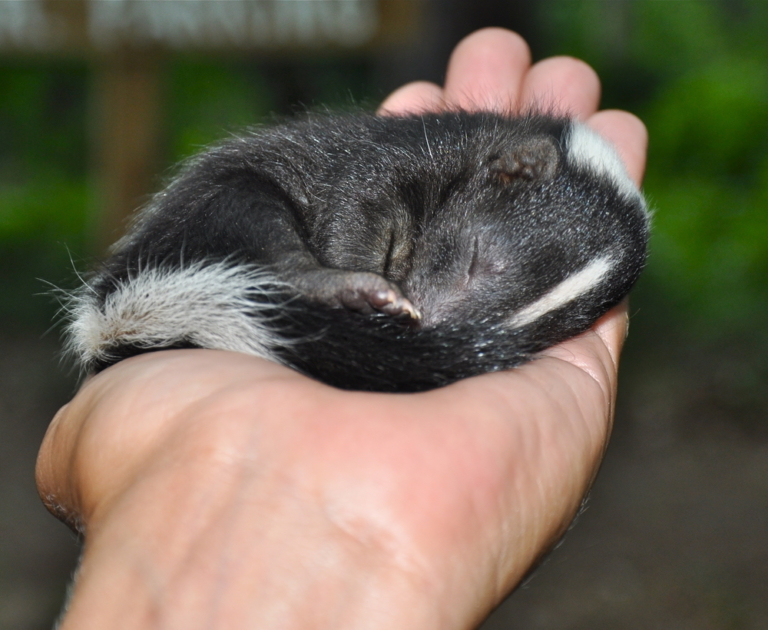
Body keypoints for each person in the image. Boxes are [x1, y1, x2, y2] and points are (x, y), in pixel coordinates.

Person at [36, 28, 647, 630]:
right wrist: (331, 280)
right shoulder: (419, 162)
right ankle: (299, 281)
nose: (445, 317)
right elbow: (358, 199)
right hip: (162, 280)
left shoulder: (484, 198)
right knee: (249, 195)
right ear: (511, 169)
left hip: (192, 326)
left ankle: (295, 299)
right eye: (476, 269)